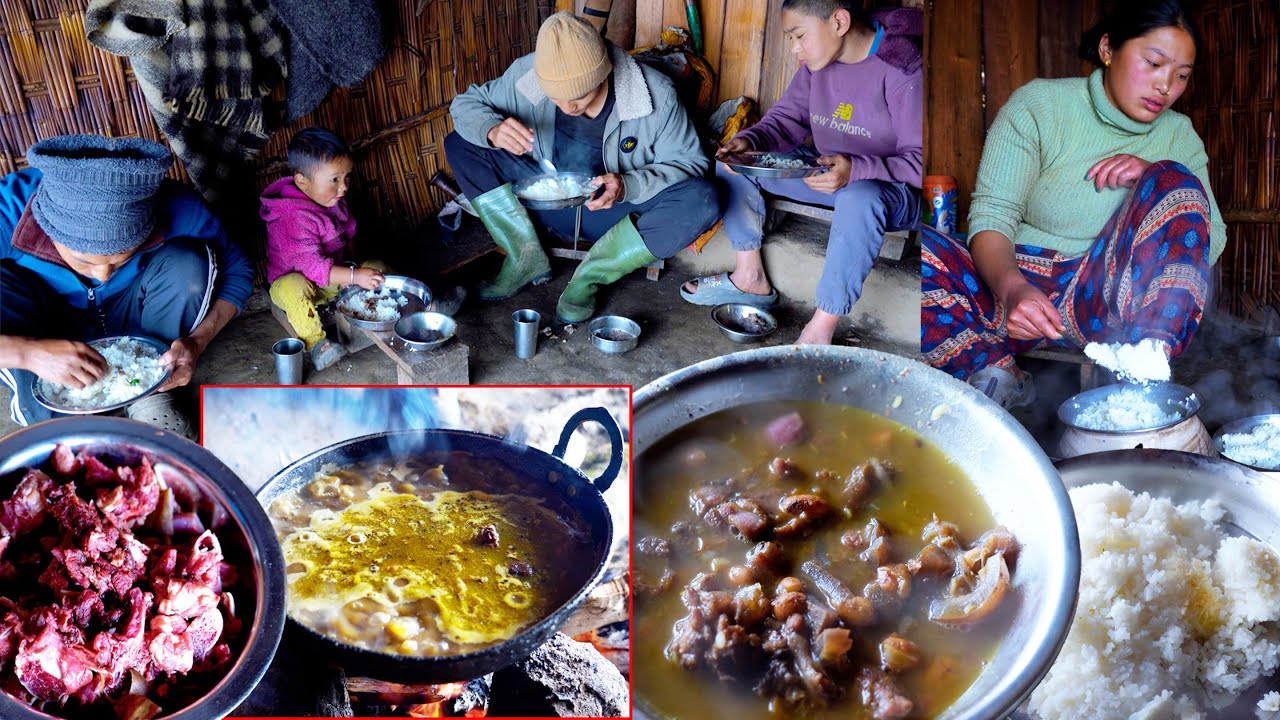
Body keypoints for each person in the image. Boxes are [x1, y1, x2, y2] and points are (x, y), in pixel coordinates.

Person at [920, 0, 1224, 409]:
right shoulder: (1041, 107)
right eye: (1153, 63)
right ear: (1107, 49)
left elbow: (1211, 238)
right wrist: (1012, 290)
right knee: (920, 248)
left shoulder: (1178, 136)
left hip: (1105, 302)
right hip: (1008, 289)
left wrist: (1153, 174)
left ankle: (1144, 367)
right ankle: (997, 371)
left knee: (1175, 179)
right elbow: (993, 217)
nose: (1166, 86)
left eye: (1181, 75)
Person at [445, 11, 720, 323]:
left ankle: (589, 277)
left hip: (613, 215)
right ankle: (525, 256)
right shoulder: (530, 75)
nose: (567, 107)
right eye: (556, 97)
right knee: (462, 142)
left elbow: (692, 163)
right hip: (541, 203)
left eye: (579, 96)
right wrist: (492, 129)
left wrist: (628, 184)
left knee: (705, 197)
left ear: (604, 72)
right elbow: (464, 104)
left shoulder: (655, 94)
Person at [680, 0, 923, 345]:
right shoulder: (817, 62)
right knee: (735, 162)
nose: (795, 50)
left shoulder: (902, 69)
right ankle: (750, 276)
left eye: (799, 36)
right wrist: (749, 141)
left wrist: (856, 169)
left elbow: (920, 164)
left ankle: (821, 328)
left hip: (888, 190)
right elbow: (785, 121)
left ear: (839, 21)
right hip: (828, 173)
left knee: (859, 195)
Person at [0, 134, 254, 435]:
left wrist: (197, 342)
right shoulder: (9, 210)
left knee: (188, 262)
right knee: (69, 448)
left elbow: (239, 270)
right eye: (84, 260)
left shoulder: (173, 204)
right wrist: (26, 352)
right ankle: (55, 410)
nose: (104, 275)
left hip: (136, 315)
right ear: (46, 226)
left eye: (121, 259)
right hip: (45, 322)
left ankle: (150, 389)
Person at [261, 127, 389, 371]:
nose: (344, 187)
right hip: (299, 284)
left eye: (347, 177)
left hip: (331, 279)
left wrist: (355, 271)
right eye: (335, 180)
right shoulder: (293, 217)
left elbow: (348, 234)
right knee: (293, 287)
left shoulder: (331, 199)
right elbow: (311, 267)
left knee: (377, 268)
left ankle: (417, 310)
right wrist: (352, 276)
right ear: (302, 182)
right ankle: (318, 345)